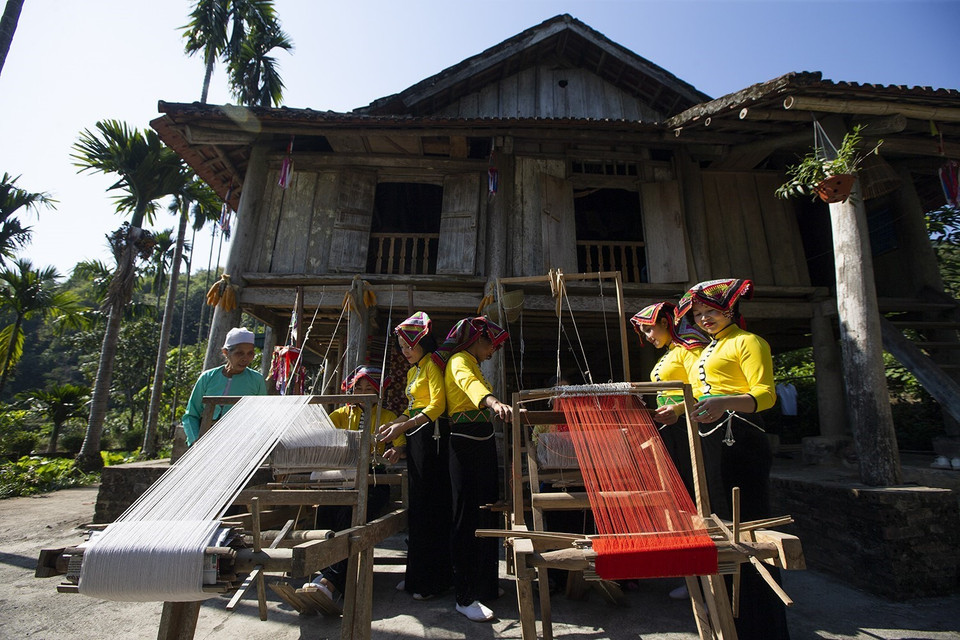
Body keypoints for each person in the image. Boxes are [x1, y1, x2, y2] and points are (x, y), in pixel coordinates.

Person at [675, 278, 790, 640]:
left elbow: (765, 395)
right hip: (711, 439)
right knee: (717, 524)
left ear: (731, 310)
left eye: (712, 311)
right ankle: (729, 619)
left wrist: (725, 402)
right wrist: (679, 409)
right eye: (699, 314)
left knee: (746, 526)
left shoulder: (750, 342)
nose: (705, 318)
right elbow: (704, 395)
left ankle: (760, 626)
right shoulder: (709, 348)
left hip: (740, 439)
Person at [631, 301, 711, 600]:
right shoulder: (672, 354)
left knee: (693, 499)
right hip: (672, 427)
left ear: (667, 322)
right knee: (678, 500)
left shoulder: (691, 350)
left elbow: (704, 391)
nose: (648, 336)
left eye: (650, 329)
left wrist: (677, 409)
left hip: (688, 429)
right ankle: (692, 574)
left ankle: (703, 577)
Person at [433, 316, 511, 622]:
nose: (493, 349)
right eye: (490, 343)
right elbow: (470, 385)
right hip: (464, 444)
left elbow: (476, 382)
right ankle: (464, 596)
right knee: (466, 516)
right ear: (475, 339)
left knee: (486, 508)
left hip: (482, 439)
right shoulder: (459, 361)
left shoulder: (474, 363)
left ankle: (484, 585)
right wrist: (492, 402)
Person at [376, 312, 452, 601]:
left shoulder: (433, 364)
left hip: (433, 437)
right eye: (402, 347)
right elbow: (412, 406)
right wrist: (397, 425)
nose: (405, 352)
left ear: (423, 342)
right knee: (417, 506)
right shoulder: (412, 371)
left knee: (431, 505)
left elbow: (436, 406)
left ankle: (430, 580)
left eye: (409, 346)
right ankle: (415, 574)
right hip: (417, 437)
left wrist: (404, 424)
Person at [310, 365, 403, 601]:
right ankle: (327, 575)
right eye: (357, 388)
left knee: (349, 516)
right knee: (325, 514)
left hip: (374, 482)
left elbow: (400, 445)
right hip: (340, 479)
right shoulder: (340, 414)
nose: (361, 393)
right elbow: (323, 437)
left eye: (368, 389)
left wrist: (397, 450)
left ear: (378, 392)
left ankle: (329, 583)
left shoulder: (389, 418)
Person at [181, 327, 267, 446]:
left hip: (241, 443)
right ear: (226, 353)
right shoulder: (207, 378)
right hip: (206, 440)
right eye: (239, 353)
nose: (245, 358)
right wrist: (195, 440)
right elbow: (191, 415)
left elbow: (261, 417)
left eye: (250, 353)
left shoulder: (256, 380)